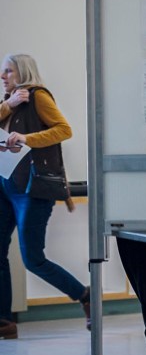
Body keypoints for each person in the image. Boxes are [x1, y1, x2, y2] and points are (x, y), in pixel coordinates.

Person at [0, 53, 89, 339]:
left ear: (23, 73)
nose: (3, 76)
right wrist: (9, 104)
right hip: (5, 185)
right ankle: (5, 323)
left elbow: (64, 130)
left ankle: (85, 295)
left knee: (33, 259)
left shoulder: (38, 96)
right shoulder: (9, 101)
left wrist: (27, 138)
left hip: (31, 189)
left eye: (8, 71)